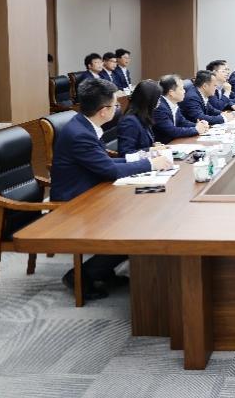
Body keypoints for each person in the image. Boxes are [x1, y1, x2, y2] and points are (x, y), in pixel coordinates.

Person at [50, 78, 173, 300]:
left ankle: (104, 271)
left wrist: (143, 159)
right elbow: (110, 170)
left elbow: (105, 163)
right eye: (115, 105)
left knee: (145, 208)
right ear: (104, 111)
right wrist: (150, 165)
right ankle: (81, 276)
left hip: (92, 189)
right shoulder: (80, 134)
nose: (118, 108)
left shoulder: (85, 124)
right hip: (74, 200)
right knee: (135, 223)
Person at [153, 74, 209, 143]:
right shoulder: (160, 108)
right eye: (181, 89)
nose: (184, 91)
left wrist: (199, 125)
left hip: (174, 142)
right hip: (164, 145)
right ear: (171, 93)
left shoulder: (173, 103)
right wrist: (196, 129)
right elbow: (172, 131)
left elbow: (182, 122)